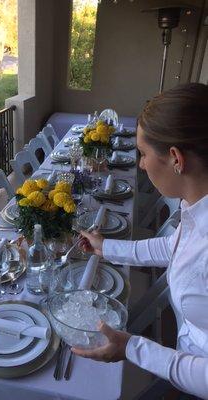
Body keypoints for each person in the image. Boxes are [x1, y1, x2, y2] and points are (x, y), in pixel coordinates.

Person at [72, 83, 208, 399]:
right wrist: (107, 247)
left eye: (144, 154)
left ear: (176, 158)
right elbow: (174, 246)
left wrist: (134, 348)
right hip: (182, 360)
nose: (142, 165)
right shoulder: (196, 206)